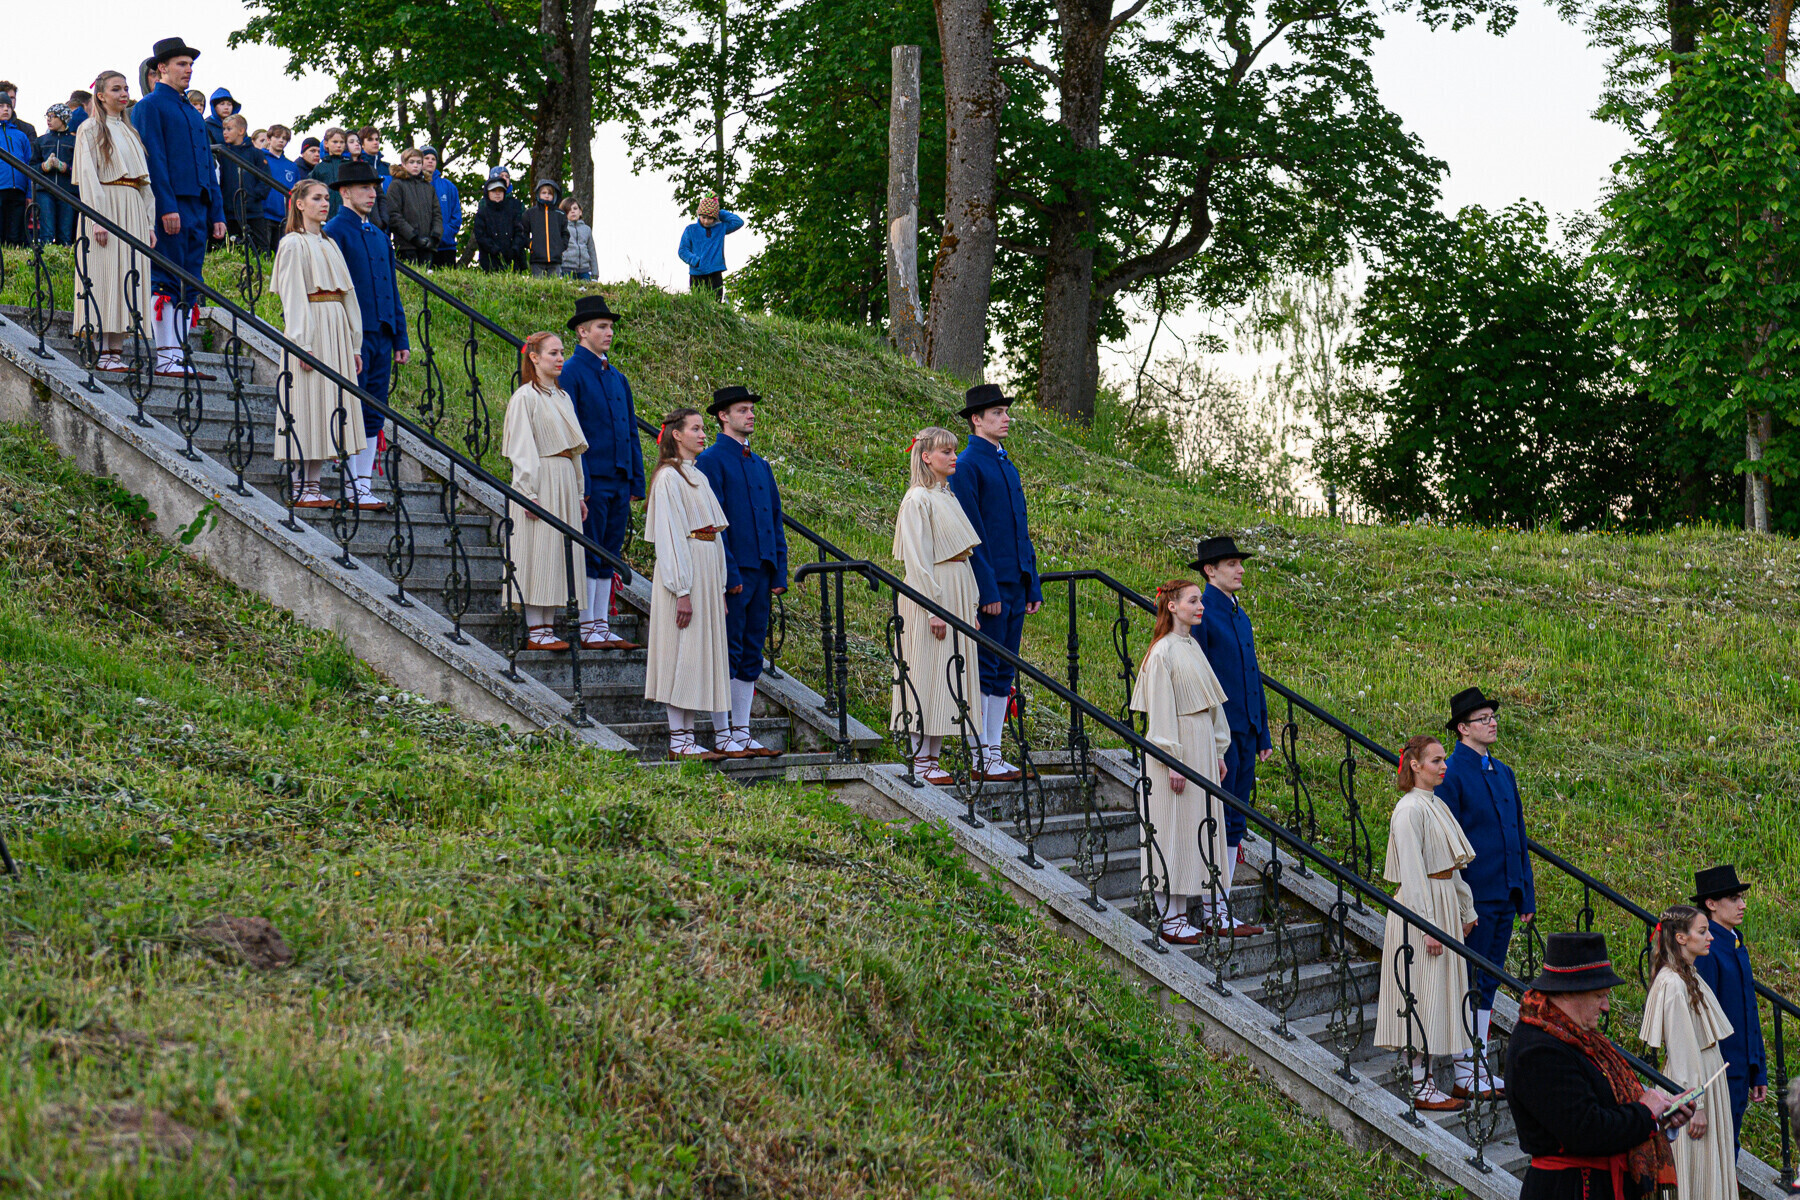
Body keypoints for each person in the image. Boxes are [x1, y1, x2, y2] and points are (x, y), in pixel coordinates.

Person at [1507, 931, 1689, 1200]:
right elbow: (1586, 1130)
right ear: (1568, 992)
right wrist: (1644, 1113)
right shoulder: (1537, 1049)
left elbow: (1610, 1110)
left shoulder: (1580, 1039)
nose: (1606, 1006)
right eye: (1599, 995)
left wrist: (1660, 1115)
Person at [1434, 685, 1535, 1099]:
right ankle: (1464, 1067)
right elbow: (1447, 840)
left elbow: (1518, 833)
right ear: (1463, 728)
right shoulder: (1452, 773)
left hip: (1505, 892)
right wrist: (1461, 901)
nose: (1492, 723)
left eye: (1493, 717)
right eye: (1483, 719)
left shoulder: (1503, 772)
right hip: (1474, 895)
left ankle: (1475, 1061)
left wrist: (1524, 890)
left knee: (1490, 979)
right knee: (1470, 978)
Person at [1129, 579, 1238, 946]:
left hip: (1200, 748)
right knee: (1171, 827)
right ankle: (1169, 917)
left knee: (1193, 828)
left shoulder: (1192, 647)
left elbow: (1212, 707)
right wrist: (1172, 760)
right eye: (1193, 600)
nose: (1200, 606)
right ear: (1173, 606)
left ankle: (1184, 914)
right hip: (1177, 752)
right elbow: (1161, 712)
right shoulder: (1162, 652)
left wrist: (1218, 750)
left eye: (1200, 600)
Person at [1373, 734, 1478, 1111]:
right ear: (1415, 765)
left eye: (1443, 759)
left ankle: (1429, 1081)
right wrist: (1426, 925)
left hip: (1441, 903)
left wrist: (1466, 908)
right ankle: (1420, 1084)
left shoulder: (1436, 804)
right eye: (1436, 760)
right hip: (1422, 911)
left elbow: (1450, 867)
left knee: (1437, 994)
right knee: (1420, 992)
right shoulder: (1408, 810)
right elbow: (1414, 874)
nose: (1444, 766)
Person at [948, 383, 1041, 782]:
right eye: (997, 413)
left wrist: (1031, 581)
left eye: (1006, 412)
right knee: (985, 669)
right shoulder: (969, 463)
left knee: (1005, 670)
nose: (1006, 419)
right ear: (976, 419)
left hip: (1015, 582)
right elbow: (972, 532)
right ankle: (980, 755)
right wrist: (986, 590)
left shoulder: (1005, 463)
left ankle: (995, 752)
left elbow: (1020, 528)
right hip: (992, 586)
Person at [695, 385, 788, 759]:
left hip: (762, 570)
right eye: (742, 410)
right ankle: (722, 734)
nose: (750, 415)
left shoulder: (761, 464)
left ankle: (743, 731)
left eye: (751, 409)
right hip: (733, 573)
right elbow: (714, 524)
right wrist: (728, 572)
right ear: (723, 416)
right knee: (727, 651)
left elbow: (775, 518)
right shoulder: (711, 461)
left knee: (751, 651)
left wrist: (778, 570)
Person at [890, 427, 983, 785]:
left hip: (955, 591)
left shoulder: (947, 496)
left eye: (954, 450)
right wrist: (932, 608)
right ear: (926, 456)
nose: (954, 457)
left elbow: (963, 557)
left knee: (949, 677)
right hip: (933, 595)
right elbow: (918, 560)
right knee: (926, 671)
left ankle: (933, 757)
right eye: (946, 451)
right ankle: (919, 758)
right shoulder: (917, 499)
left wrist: (971, 605)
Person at [1191, 534, 1274, 933]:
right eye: (1231, 564)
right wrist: (1211, 737)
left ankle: (1221, 906)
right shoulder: (1203, 613)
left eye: (1240, 564)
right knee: (1220, 816)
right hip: (1221, 733)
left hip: (1246, 730)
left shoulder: (1240, 614)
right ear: (1210, 571)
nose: (1240, 570)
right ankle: (1213, 909)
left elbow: (1252, 675)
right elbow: (1200, 678)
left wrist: (1263, 731)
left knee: (1236, 819)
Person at [644, 407, 733, 761]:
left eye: (702, 428)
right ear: (677, 434)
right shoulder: (668, 478)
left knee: (696, 654)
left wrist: (720, 587)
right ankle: (678, 739)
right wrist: (681, 590)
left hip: (705, 572)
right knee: (679, 651)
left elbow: (714, 536)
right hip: (685, 574)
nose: (702, 434)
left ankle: (688, 736)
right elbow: (670, 538)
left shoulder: (697, 476)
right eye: (695, 429)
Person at [134, 37, 226, 378]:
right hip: (172, 203)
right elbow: (154, 160)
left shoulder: (190, 110)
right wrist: (165, 206)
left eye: (190, 65)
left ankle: (179, 354)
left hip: (198, 204)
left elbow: (208, 165)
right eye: (181, 64)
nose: (188, 70)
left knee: (191, 279)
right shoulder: (150, 106)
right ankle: (166, 356)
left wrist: (217, 212)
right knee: (167, 277)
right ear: (162, 67)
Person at [271, 178, 365, 508]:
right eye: (317, 198)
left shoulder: (330, 243)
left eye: (327, 198)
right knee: (307, 403)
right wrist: (302, 342)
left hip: (336, 330)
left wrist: (355, 343)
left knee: (327, 404)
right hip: (311, 329)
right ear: (300, 204)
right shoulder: (292, 244)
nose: (325, 203)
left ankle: (314, 483)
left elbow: (348, 296)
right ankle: (300, 485)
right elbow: (293, 295)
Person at [323, 159, 409, 511]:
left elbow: (392, 288)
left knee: (375, 408)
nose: (372, 194)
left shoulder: (378, 235)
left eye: (374, 188)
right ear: (345, 192)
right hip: (353, 335)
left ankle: (363, 484)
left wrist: (400, 336)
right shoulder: (334, 232)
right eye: (364, 188)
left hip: (382, 334)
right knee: (352, 407)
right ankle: (349, 483)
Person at [559, 294, 643, 651]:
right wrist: (584, 484)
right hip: (593, 476)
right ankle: (587, 624)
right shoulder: (572, 372)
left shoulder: (617, 377)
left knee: (610, 551)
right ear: (582, 331)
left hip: (619, 478)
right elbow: (573, 431)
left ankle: (601, 623)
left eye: (610, 327)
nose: (609, 332)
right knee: (590, 550)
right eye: (602, 326)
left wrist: (636, 479)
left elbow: (630, 431)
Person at [1640, 905, 1738, 1200]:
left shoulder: (1687, 974)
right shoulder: (1672, 983)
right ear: (1681, 938)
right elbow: (1682, 1048)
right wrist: (1696, 1104)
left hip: (1706, 1075)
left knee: (1711, 1166)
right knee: (1697, 1171)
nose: (1710, 937)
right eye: (1702, 931)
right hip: (1693, 1084)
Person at [500, 332, 588, 651]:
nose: (560, 358)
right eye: (553, 353)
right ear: (534, 357)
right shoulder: (525, 397)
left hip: (563, 479)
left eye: (562, 352)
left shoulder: (563, 398)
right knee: (538, 549)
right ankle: (535, 629)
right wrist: (528, 491)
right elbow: (522, 448)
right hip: (541, 479)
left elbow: (573, 451)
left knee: (557, 553)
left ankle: (548, 627)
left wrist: (578, 493)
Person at [71, 69, 156, 372]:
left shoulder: (131, 132)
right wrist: (97, 218)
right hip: (105, 206)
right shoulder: (90, 128)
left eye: (126, 88)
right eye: (116, 89)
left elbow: (144, 184)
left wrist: (149, 223)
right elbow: (88, 176)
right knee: (104, 272)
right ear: (101, 95)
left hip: (132, 207)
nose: (123, 94)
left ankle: (116, 351)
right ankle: (101, 350)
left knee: (127, 275)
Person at [1691, 863, 1767, 1147]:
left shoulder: (1734, 943)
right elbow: (1703, 1017)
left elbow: (1749, 1011)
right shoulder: (1708, 950)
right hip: (1719, 1071)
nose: (1742, 905)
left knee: (1729, 1145)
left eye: (1741, 898)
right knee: (1720, 1148)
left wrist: (1757, 1068)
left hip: (1739, 1069)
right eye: (1734, 899)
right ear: (1711, 904)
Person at [216, 115, 271, 246]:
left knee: (260, 248)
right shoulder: (222, 153)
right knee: (233, 247)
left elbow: (265, 179)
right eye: (224, 129)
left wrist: (253, 195)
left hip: (253, 211)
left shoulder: (256, 153)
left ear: (241, 131)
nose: (225, 132)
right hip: (229, 211)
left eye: (229, 129)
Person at [383, 147, 441, 264]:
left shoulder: (429, 187)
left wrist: (435, 237)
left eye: (419, 162)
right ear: (404, 164)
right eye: (412, 162)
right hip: (406, 245)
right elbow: (394, 215)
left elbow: (437, 215)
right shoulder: (396, 185)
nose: (415, 165)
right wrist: (413, 237)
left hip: (428, 245)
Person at [678, 195, 743, 297]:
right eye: (703, 217)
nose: (706, 221)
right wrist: (695, 261)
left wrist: (718, 212)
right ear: (699, 215)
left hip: (715, 273)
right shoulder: (690, 229)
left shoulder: (721, 228)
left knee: (716, 302)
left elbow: (738, 222)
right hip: (697, 274)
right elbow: (682, 250)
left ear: (715, 218)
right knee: (698, 303)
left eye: (710, 218)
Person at [35, 104, 78, 246]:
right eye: (47, 116)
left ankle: (64, 258)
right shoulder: (41, 141)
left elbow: (81, 168)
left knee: (65, 234)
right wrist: (44, 166)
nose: (49, 119)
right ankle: (45, 258)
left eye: (52, 116)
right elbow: (31, 167)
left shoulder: (75, 142)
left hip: (68, 192)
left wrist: (66, 168)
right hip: (45, 191)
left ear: (63, 119)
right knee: (46, 232)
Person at [0, 93, 35, 247]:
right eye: (1, 106)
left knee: (15, 233)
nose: (5, 109)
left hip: (18, 190)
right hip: (1, 187)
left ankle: (13, 258)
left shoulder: (21, 136)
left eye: (8, 106)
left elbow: (28, 165)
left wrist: (29, 193)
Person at [260, 124, 298, 252]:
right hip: (264, 214)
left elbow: (296, 191)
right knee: (263, 253)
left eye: (285, 138)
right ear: (269, 139)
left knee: (281, 254)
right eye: (277, 137)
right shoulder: (260, 159)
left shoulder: (292, 166)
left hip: (284, 217)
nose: (281, 141)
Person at [471, 178, 524, 272]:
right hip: (489, 263)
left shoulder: (512, 212)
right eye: (493, 191)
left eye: (500, 190)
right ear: (488, 193)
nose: (497, 193)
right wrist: (495, 250)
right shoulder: (482, 214)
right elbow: (480, 236)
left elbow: (519, 232)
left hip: (512, 262)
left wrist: (514, 249)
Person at [422, 148, 460, 267]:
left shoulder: (449, 186)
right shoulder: (414, 185)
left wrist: (443, 234)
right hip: (422, 246)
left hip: (446, 247)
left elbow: (456, 216)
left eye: (433, 159)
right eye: (426, 158)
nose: (430, 161)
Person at [527, 179, 568, 277]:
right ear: (538, 194)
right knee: (538, 284)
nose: (547, 195)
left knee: (555, 284)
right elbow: (522, 232)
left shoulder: (560, 214)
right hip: (537, 259)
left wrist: (560, 247)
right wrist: (531, 244)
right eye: (544, 193)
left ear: (554, 196)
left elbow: (565, 233)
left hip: (555, 259)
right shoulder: (530, 213)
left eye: (550, 193)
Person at [308, 128, 349, 212]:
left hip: (346, 210)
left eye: (342, 142)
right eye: (335, 142)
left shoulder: (349, 166)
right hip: (325, 210)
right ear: (326, 144)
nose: (339, 145)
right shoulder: (319, 167)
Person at [559, 197, 594, 280]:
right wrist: (559, 271)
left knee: (586, 288)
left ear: (580, 212)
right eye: (568, 210)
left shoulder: (586, 229)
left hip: (585, 270)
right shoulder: (561, 228)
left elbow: (592, 251)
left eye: (575, 208)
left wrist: (595, 274)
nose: (572, 211)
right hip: (567, 269)